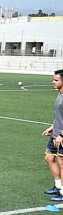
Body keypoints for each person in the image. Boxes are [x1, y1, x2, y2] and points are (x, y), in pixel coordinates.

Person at [42, 69, 63, 201]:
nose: (53, 82)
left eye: (56, 80)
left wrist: (62, 134)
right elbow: (60, 116)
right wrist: (53, 126)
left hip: (61, 136)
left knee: (62, 163)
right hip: (55, 134)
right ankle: (58, 186)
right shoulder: (60, 94)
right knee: (49, 158)